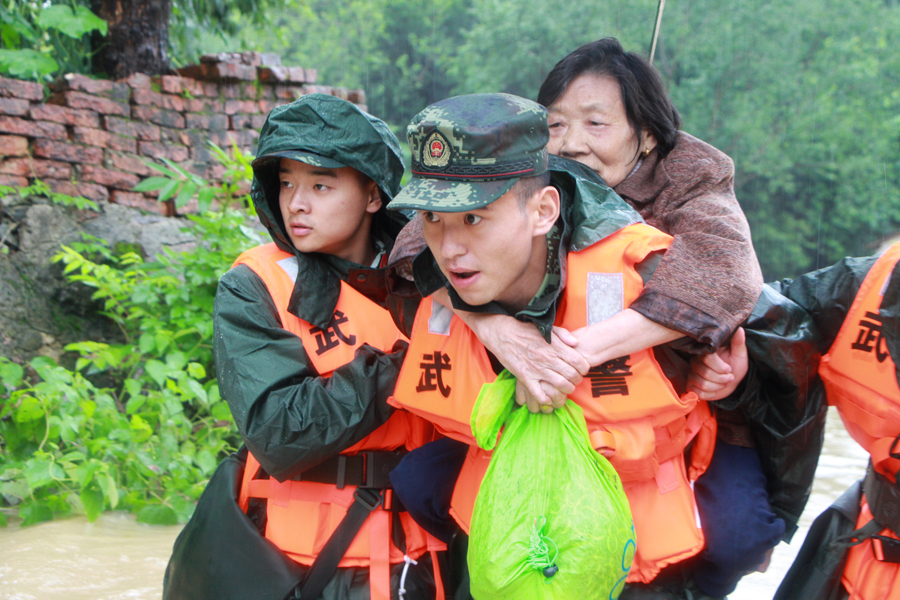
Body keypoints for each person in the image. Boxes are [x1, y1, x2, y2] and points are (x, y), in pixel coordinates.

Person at [387, 39, 782, 600]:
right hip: (541, 410)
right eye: (556, 124)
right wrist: (495, 328)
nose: (572, 142)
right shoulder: (525, 173)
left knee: (740, 537)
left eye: (596, 124)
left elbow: (726, 278)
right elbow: (416, 249)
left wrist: (576, 352)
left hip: (663, 400)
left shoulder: (691, 177)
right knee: (423, 483)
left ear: (644, 135)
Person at [162, 94, 446, 600]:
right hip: (292, 564)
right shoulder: (254, 284)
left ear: (373, 195)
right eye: (287, 182)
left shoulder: (435, 276)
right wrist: (410, 363)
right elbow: (277, 431)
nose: (296, 202)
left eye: (320, 184)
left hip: (419, 556)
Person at [689, 243, 900, 600]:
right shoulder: (869, 285)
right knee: (737, 541)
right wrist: (727, 367)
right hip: (867, 555)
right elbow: (770, 323)